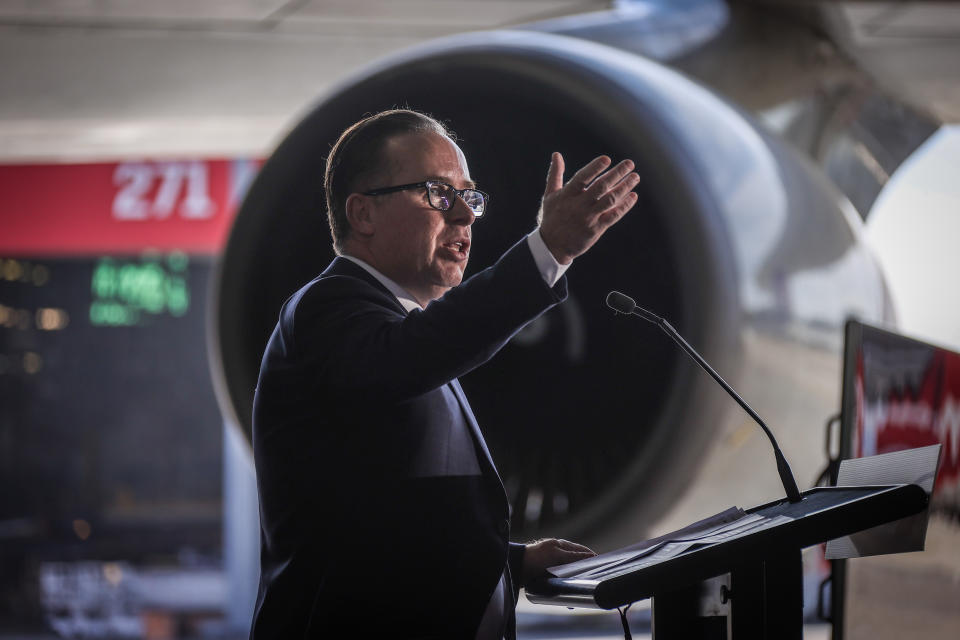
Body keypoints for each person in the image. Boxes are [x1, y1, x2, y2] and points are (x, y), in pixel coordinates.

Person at [250, 109, 639, 639]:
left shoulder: (399, 328)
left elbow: (383, 528)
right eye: (438, 193)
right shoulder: (329, 307)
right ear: (362, 213)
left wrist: (511, 562)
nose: (465, 216)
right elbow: (413, 355)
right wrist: (548, 251)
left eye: (470, 196)